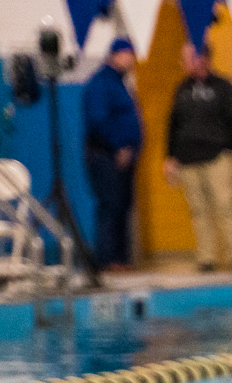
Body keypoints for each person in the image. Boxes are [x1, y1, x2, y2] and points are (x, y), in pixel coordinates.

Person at [163, 42, 232, 273]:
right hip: (188, 158)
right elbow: (173, 124)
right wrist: (170, 157)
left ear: (203, 58)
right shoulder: (182, 88)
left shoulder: (223, 86)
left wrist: (226, 148)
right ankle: (206, 258)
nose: (183, 63)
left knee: (226, 205)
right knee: (198, 210)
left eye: (188, 58)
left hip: (216, 157)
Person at [83, 38, 140, 271]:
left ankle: (120, 259)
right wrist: (119, 145)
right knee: (110, 206)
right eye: (127, 55)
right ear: (115, 55)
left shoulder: (119, 83)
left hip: (121, 157)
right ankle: (108, 260)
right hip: (107, 156)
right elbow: (98, 121)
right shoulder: (101, 83)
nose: (131, 60)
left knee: (122, 207)